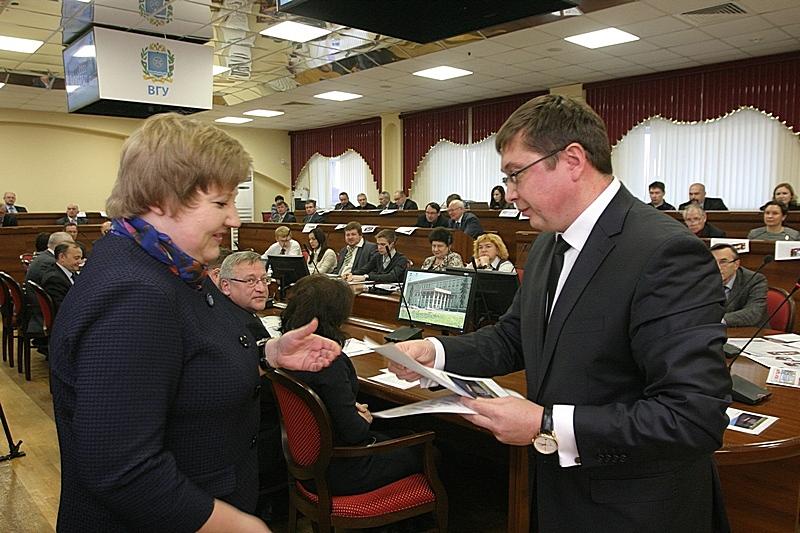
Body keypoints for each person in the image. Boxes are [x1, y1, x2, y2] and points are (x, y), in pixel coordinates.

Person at [388, 94, 730, 532]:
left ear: (572, 160)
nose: (510, 193)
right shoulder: (548, 242)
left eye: (516, 174)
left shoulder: (665, 251)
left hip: (635, 509)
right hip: (557, 493)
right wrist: (436, 353)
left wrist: (545, 423)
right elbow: (515, 336)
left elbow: (692, 416)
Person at [48, 113, 341, 533]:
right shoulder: (134, 293)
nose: (234, 219)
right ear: (160, 199)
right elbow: (122, 468)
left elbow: (190, 357)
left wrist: (268, 354)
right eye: (220, 204)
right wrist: (238, 526)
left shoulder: (170, 266)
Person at [282, 275, 421, 495]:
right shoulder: (328, 361)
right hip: (343, 470)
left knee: (404, 433)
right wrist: (362, 419)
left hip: (306, 463)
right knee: (428, 448)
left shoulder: (285, 350)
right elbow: (354, 433)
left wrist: (348, 408)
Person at [215, 252, 286, 520]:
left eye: (264, 280)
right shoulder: (241, 324)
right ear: (225, 286)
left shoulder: (237, 314)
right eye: (250, 281)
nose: (261, 288)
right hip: (252, 439)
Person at [710, 243, 768, 327]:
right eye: (713, 262)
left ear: (736, 264)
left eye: (723, 262)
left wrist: (718, 320)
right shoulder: (704, 279)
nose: (718, 267)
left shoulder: (755, 280)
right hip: (712, 330)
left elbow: (753, 313)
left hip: (749, 331)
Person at [41, 242, 83, 314]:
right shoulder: (54, 279)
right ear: (62, 257)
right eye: (76, 258)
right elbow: (63, 309)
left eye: (81, 258)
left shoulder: (71, 272)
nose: (80, 262)